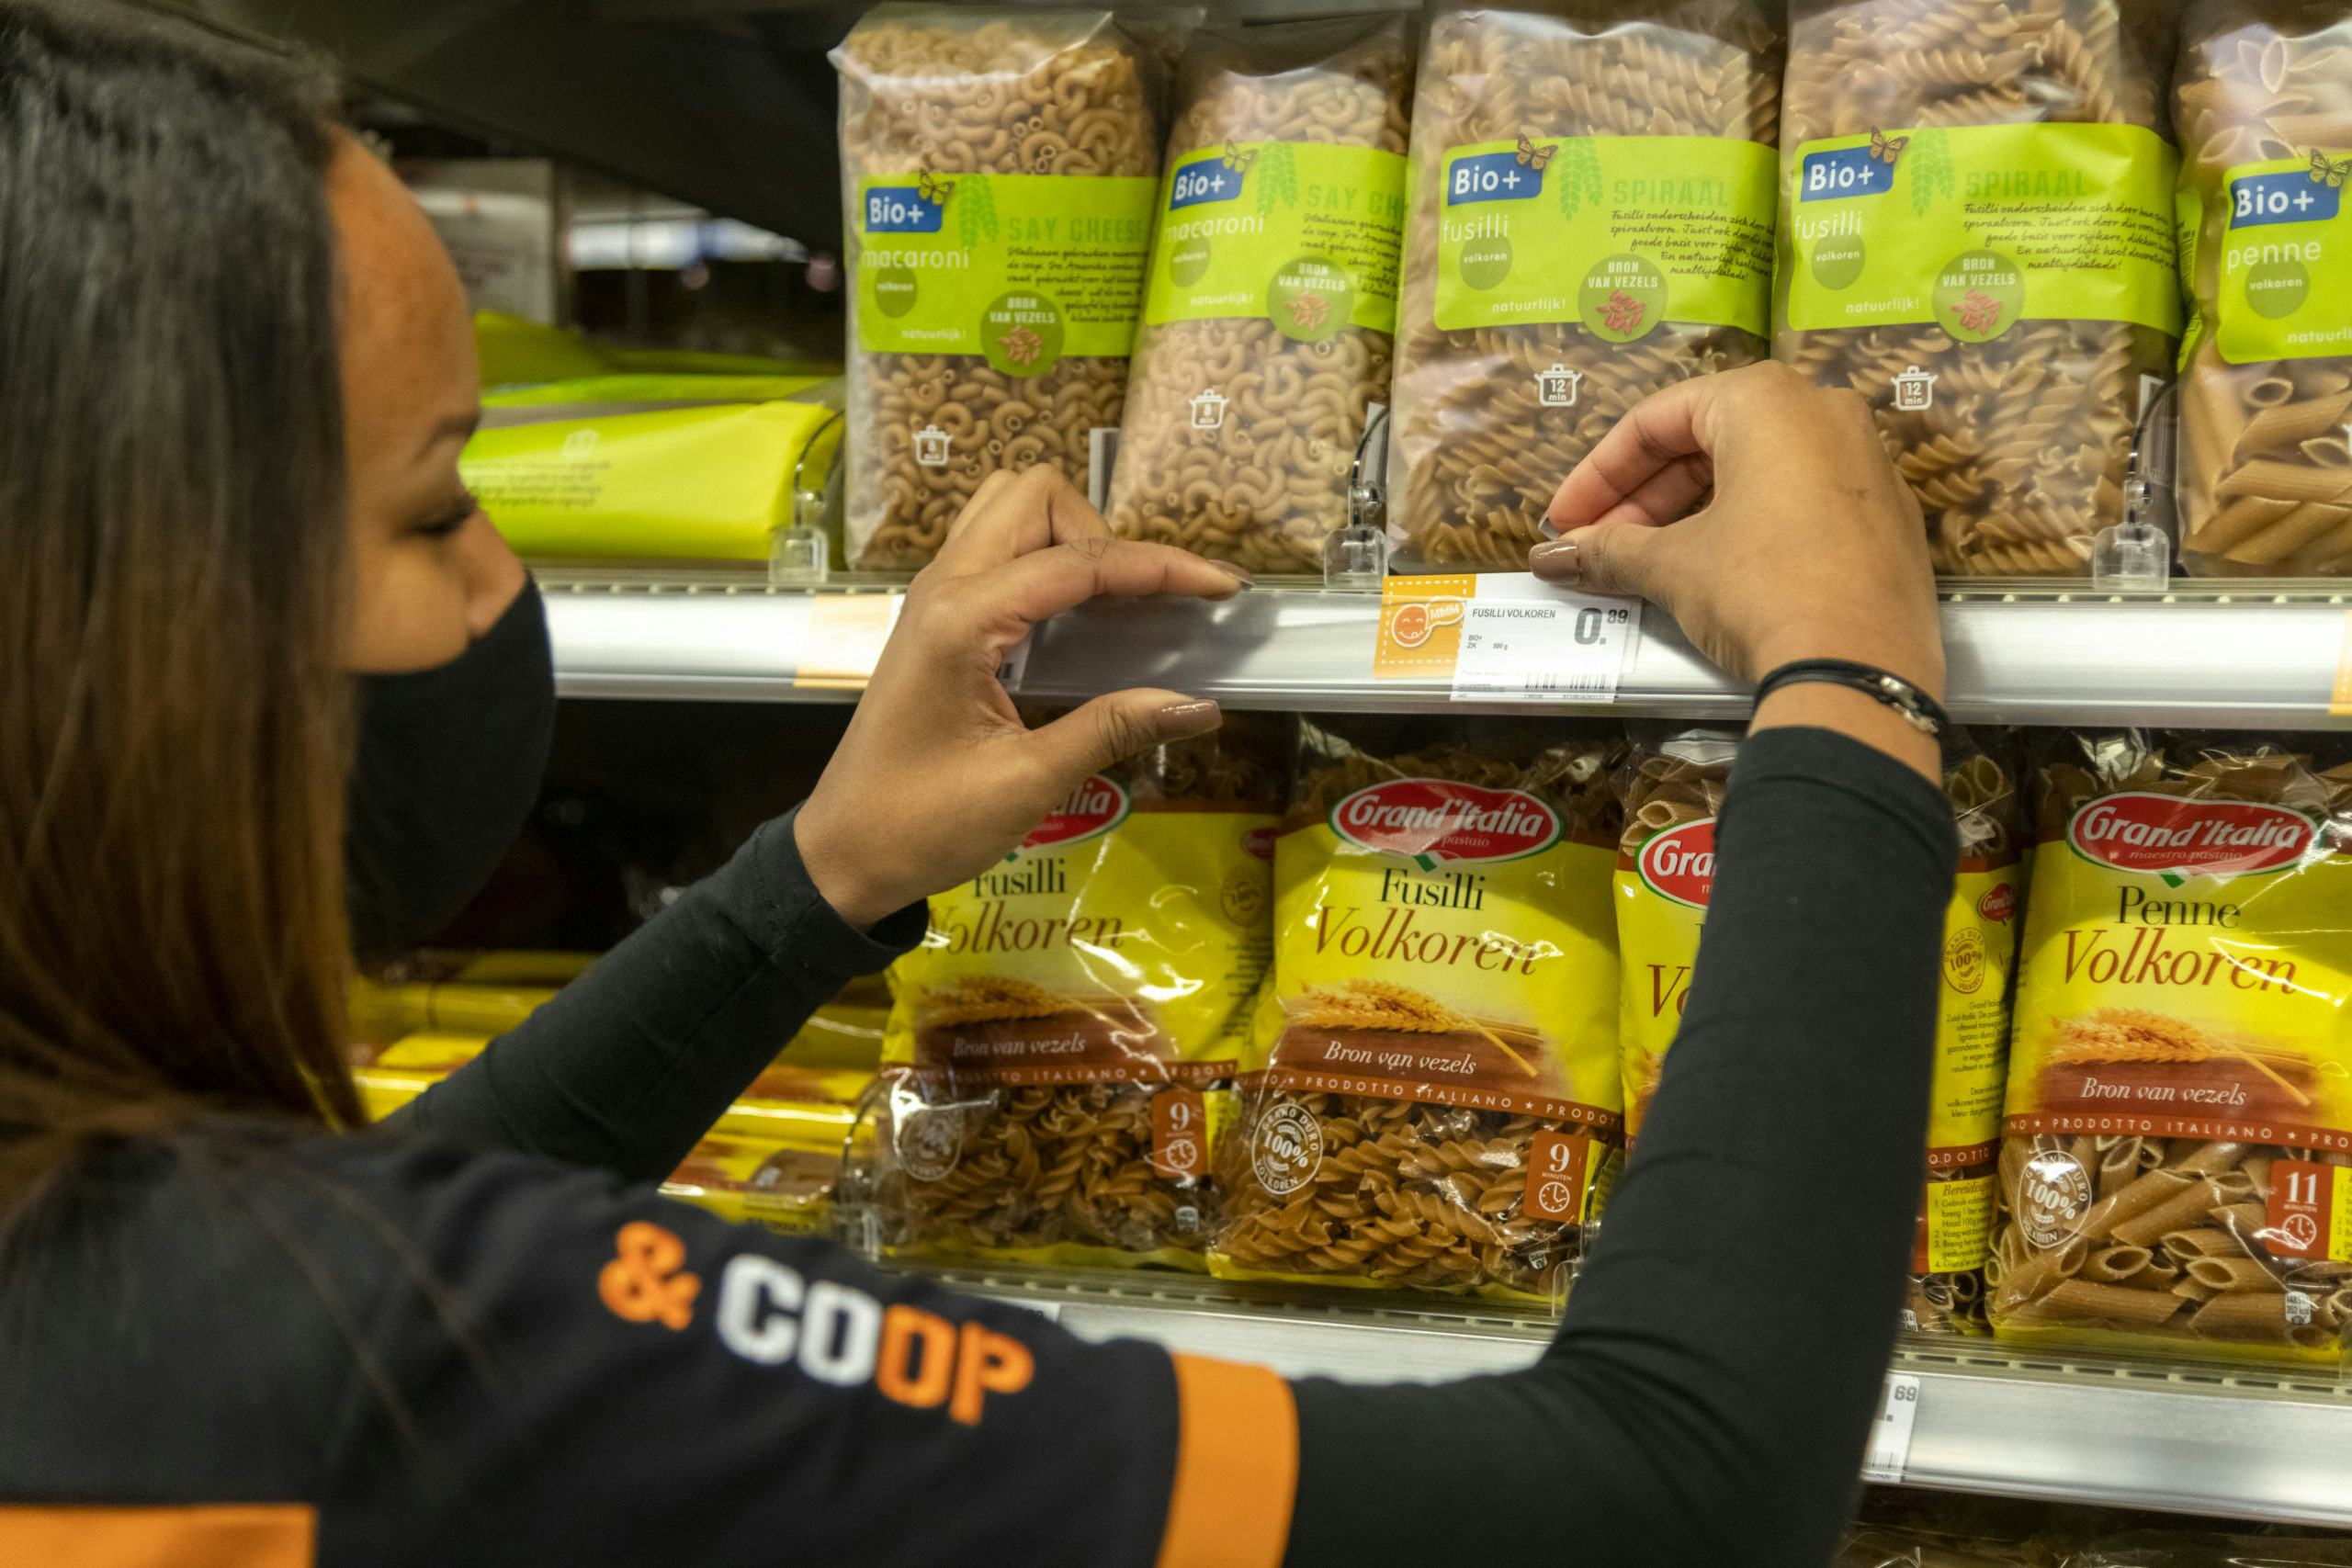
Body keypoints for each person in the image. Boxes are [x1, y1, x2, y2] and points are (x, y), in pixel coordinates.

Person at [0, 5, 1956, 1566]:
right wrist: (1848, 679)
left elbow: (335, 1270)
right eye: (435, 500)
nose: (500, 577)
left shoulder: (154, 1302)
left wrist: (816, 880)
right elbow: (1657, 1500)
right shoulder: (374, 1363)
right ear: (126, 634)